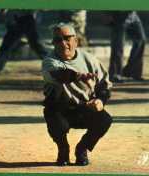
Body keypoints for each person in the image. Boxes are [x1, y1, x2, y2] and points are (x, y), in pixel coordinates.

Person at [42, 23, 113, 166]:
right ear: (53, 43)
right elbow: (60, 75)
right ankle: (63, 149)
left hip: (84, 107)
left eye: (67, 38)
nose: (63, 43)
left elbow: (104, 85)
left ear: (76, 41)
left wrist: (100, 100)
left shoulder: (90, 59)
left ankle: (82, 148)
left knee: (105, 119)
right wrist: (80, 76)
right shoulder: (49, 61)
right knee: (53, 116)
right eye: (58, 40)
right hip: (61, 108)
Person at [0, 10, 48, 74]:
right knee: (8, 44)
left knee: (35, 44)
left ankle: (52, 63)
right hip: (18, 19)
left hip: (26, 18)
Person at [107, 11, 146, 83]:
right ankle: (115, 74)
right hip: (119, 13)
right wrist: (108, 14)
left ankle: (131, 71)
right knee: (118, 45)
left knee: (141, 40)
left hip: (133, 14)